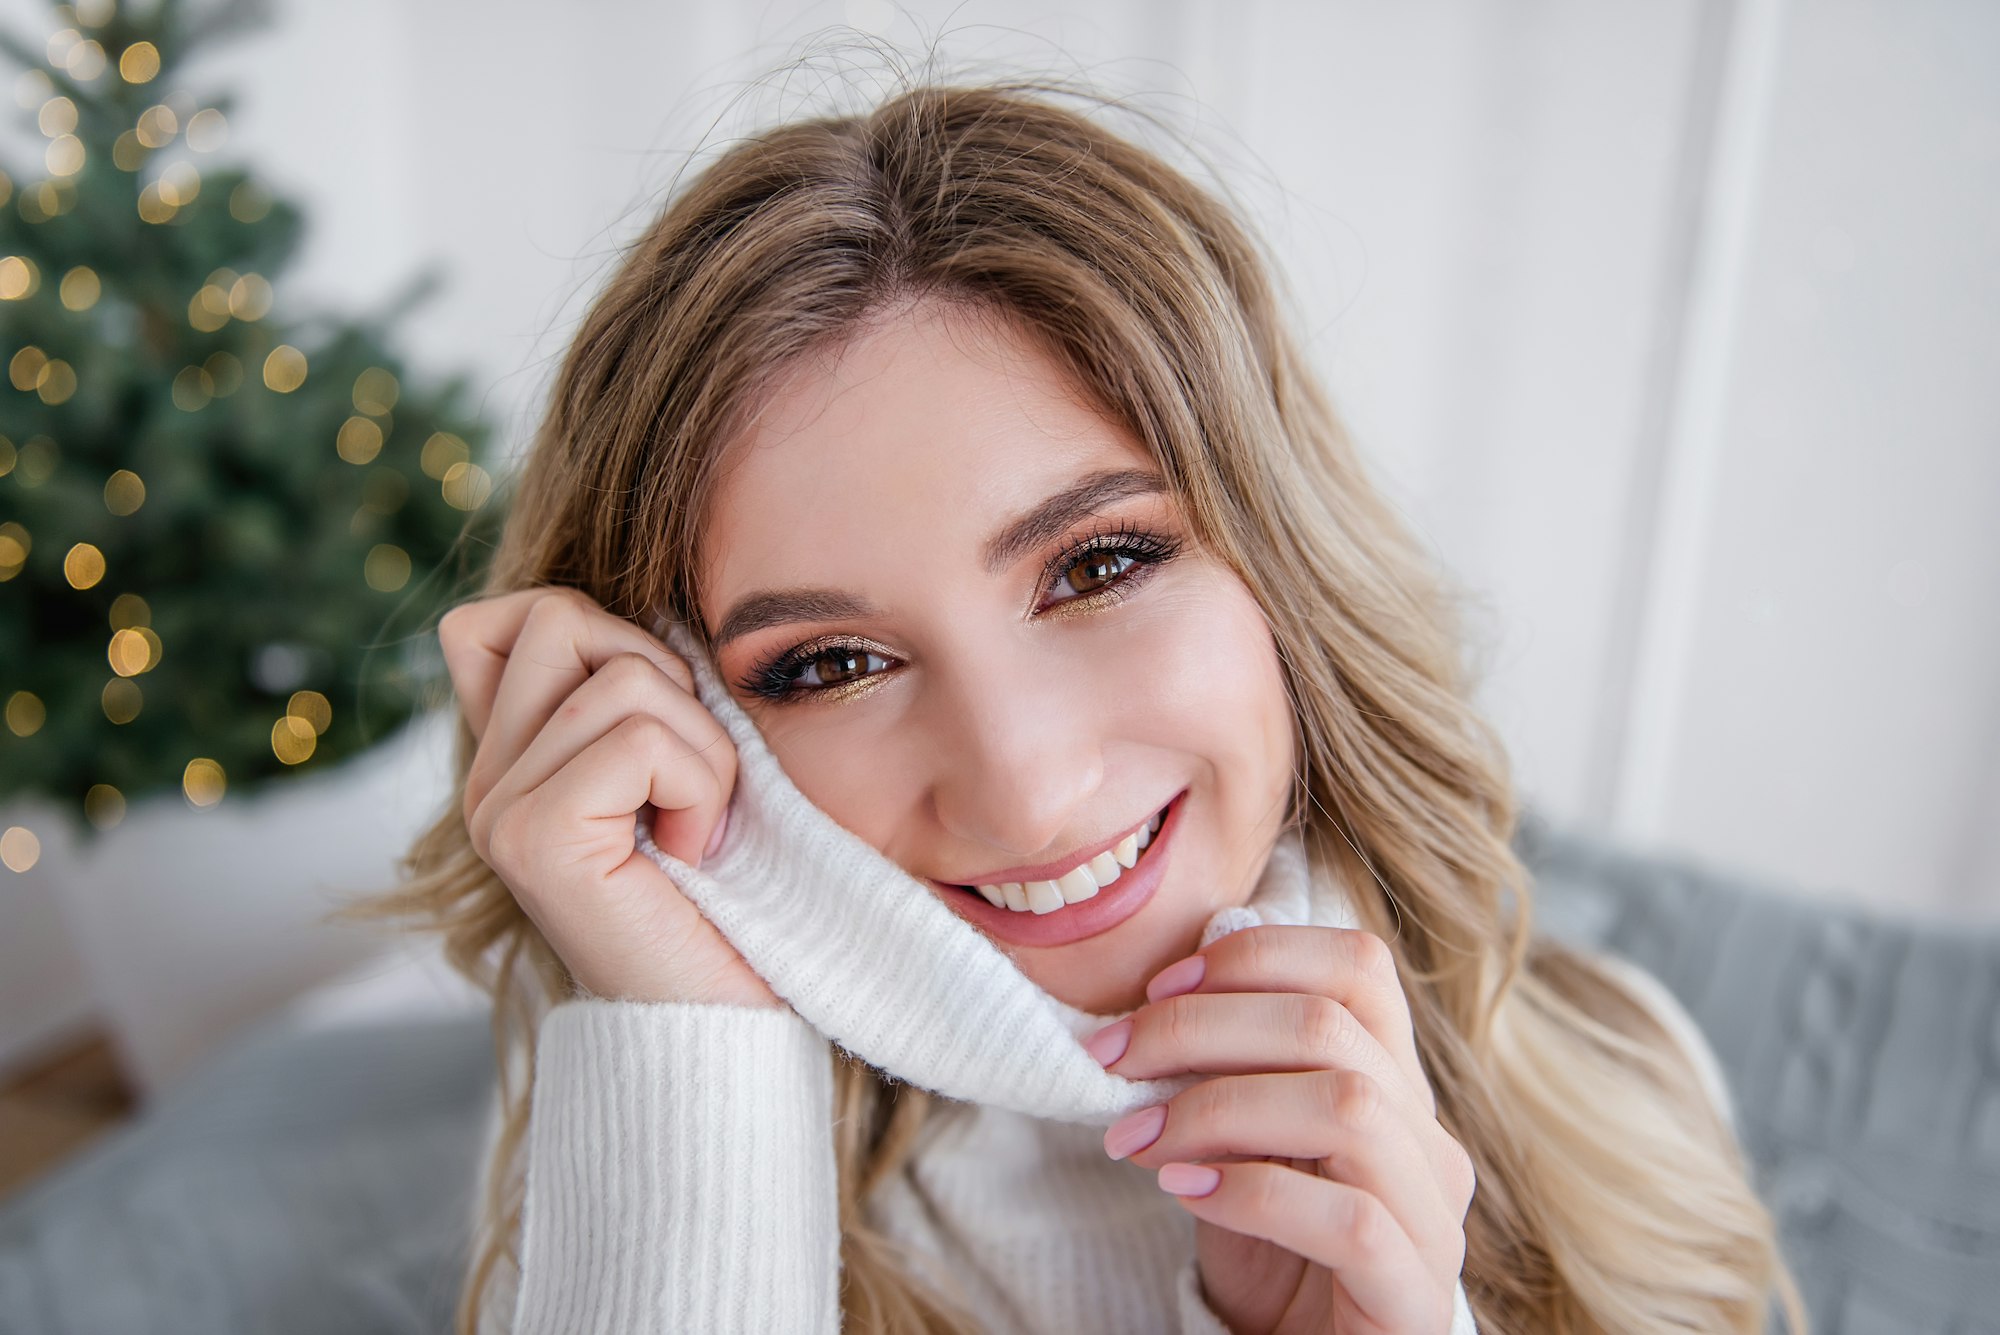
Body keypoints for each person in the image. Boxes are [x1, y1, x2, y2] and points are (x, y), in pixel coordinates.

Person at [343, 75, 1808, 1334]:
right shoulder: (626, 1148)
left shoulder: (1618, 1078)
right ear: (690, 719)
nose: (1027, 791)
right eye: (830, 665)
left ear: (1276, 561)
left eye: (1100, 563)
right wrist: (694, 1056)